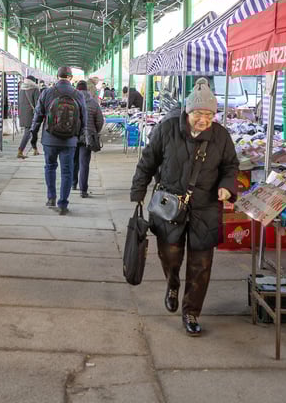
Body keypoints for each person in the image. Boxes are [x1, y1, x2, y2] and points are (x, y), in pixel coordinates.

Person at [130, 78, 239, 336]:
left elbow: (230, 166)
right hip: (170, 204)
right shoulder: (166, 129)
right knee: (170, 254)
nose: (204, 120)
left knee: (201, 263)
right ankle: (173, 281)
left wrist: (227, 185)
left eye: (209, 115)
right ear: (187, 111)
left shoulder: (221, 136)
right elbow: (147, 161)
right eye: (199, 114)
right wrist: (138, 191)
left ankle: (191, 311)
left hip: (206, 207)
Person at [31, 66, 88, 215]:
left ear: (57, 76)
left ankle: (51, 198)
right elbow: (84, 118)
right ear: (70, 77)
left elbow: (37, 116)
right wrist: (80, 135)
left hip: (49, 138)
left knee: (50, 166)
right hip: (69, 140)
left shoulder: (47, 92)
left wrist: (34, 134)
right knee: (67, 171)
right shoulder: (78, 94)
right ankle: (63, 204)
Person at [72, 80, 105, 198]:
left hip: (73, 136)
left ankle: (73, 183)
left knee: (73, 160)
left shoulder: (72, 101)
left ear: (76, 89)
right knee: (84, 163)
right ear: (87, 90)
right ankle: (83, 190)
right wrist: (94, 131)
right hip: (88, 137)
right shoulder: (93, 103)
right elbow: (100, 121)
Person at [17, 76, 41, 159]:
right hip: (31, 114)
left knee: (32, 132)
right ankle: (20, 150)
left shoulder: (21, 89)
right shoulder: (35, 89)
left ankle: (35, 149)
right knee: (28, 133)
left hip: (22, 114)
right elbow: (38, 104)